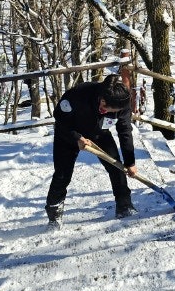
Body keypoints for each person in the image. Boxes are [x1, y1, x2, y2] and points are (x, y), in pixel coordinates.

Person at [45, 74, 137, 225]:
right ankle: (54, 213)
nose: (109, 112)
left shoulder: (122, 103)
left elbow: (125, 131)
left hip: (99, 134)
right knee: (63, 175)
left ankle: (124, 205)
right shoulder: (78, 94)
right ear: (102, 99)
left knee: (117, 167)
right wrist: (76, 138)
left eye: (114, 111)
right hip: (69, 133)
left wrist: (130, 162)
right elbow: (60, 119)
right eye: (107, 108)